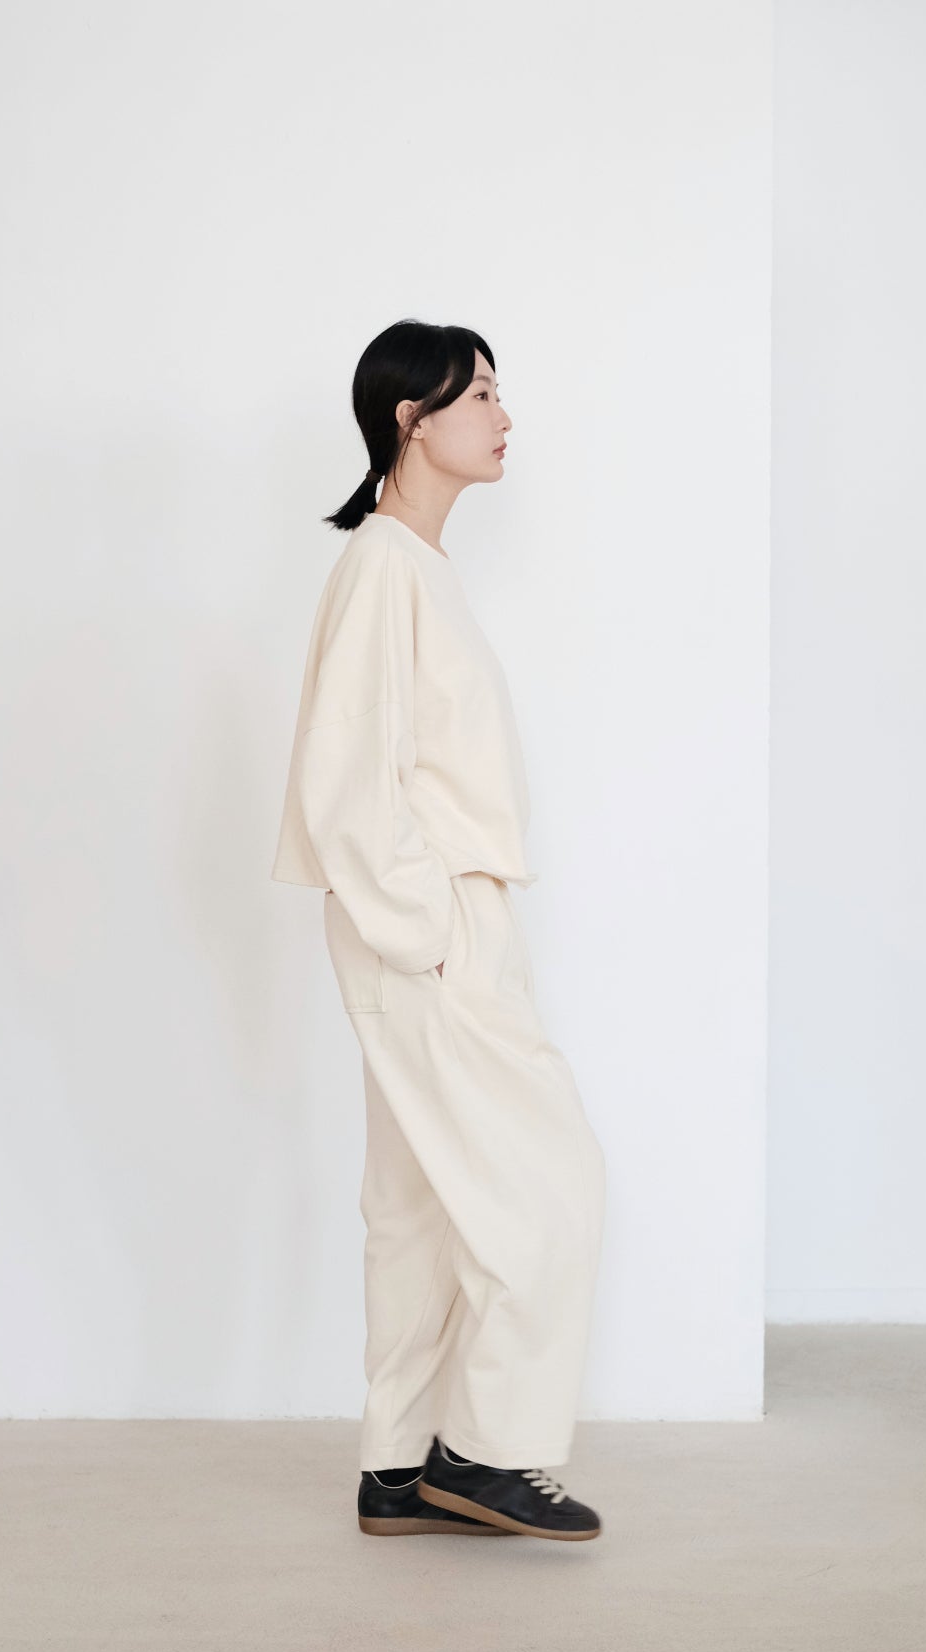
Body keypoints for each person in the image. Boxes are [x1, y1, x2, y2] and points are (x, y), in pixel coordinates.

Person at [271, 319, 606, 1542]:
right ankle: (488, 1453)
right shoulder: (384, 568)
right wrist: (427, 928)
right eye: (479, 395)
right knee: (551, 1184)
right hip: (424, 919)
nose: (503, 416)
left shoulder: (412, 566)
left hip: (431, 916)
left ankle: (397, 1463)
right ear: (410, 421)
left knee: (415, 1205)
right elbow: (344, 776)